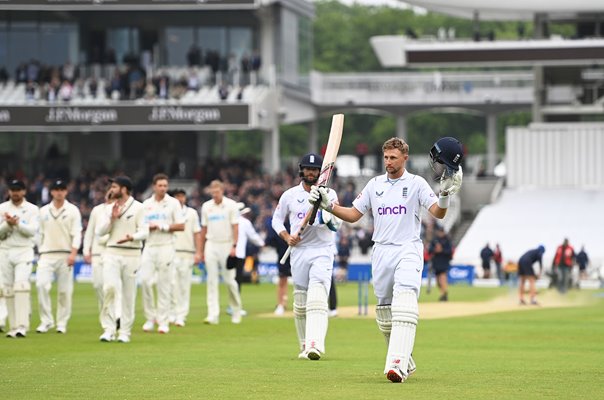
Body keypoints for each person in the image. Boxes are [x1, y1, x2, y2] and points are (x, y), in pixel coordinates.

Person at [309, 136, 463, 382]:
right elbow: (352, 215)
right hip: (381, 251)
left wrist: (444, 193)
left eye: (393, 158)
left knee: (404, 302)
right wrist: (329, 206)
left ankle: (396, 366)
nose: (388, 162)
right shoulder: (374, 185)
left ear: (405, 158)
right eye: (386, 157)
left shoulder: (416, 183)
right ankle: (406, 359)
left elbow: (439, 213)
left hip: (407, 249)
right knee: (384, 312)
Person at [272, 152, 341, 360]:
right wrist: (286, 237)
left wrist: (324, 207)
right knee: (300, 301)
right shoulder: (289, 195)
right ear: (301, 170)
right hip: (299, 251)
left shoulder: (330, 194)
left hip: (322, 250)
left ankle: (315, 344)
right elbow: (276, 220)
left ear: (321, 173)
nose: (311, 172)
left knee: (318, 296)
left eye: (315, 169)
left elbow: (335, 225)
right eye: (307, 169)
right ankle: (304, 344)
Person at [96, 176, 148, 343]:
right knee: (109, 288)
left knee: (128, 293)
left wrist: (131, 237)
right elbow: (100, 232)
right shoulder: (109, 208)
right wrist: (112, 219)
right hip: (111, 252)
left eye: (115, 187)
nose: (111, 190)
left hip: (132, 253)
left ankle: (125, 331)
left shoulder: (139, 208)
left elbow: (145, 232)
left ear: (124, 189)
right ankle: (109, 329)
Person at [35, 179, 82, 334]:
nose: (59, 192)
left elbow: (77, 233)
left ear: (66, 191)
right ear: (52, 192)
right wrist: (40, 250)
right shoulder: (43, 211)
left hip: (65, 255)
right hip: (46, 255)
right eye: (56, 189)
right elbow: (38, 233)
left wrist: (73, 254)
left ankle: (62, 323)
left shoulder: (73, 210)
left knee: (64, 291)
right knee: (41, 285)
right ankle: (46, 321)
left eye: (62, 189)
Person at [139, 173, 184, 334]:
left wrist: (164, 226)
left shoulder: (173, 203)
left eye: (165, 186)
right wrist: (148, 227)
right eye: (160, 185)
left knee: (164, 284)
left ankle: (163, 321)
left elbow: (181, 226)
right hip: (150, 246)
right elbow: (140, 226)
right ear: (154, 186)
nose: (163, 188)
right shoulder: (146, 204)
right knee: (145, 281)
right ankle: (150, 318)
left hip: (166, 246)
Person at [0, 179, 40, 338]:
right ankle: (13, 326)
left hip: (24, 251)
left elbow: (31, 231)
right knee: (8, 289)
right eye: (12, 190)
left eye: (18, 190)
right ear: (9, 191)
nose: (15, 193)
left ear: (24, 191)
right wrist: (7, 225)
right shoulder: (2, 208)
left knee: (22, 286)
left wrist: (16, 224)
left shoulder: (32, 209)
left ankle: (22, 326)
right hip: (5, 250)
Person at [200, 180, 242, 325]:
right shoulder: (206, 207)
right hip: (211, 243)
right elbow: (203, 229)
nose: (215, 194)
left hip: (226, 243)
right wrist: (200, 250)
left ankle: (236, 310)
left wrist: (234, 246)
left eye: (217, 191)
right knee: (211, 280)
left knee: (230, 280)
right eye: (213, 191)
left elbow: (235, 227)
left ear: (222, 191)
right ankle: (213, 314)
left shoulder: (231, 205)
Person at [169, 189, 202, 327]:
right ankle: (171, 313)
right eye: (177, 197)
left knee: (184, 286)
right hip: (172, 251)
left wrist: (198, 252)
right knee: (171, 285)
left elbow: (197, 233)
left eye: (182, 196)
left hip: (187, 252)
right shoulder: (169, 212)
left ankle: (181, 315)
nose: (179, 199)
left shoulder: (192, 213)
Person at [230, 202, 265, 315]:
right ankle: (235, 307)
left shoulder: (229, 221)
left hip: (228, 253)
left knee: (231, 280)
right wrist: (262, 243)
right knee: (237, 281)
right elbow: (253, 236)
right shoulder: (245, 222)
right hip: (239, 254)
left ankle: (232, 306)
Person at [83, 189, 114, 312]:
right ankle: (105, 312)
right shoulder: (97, 210)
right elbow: (90, 232)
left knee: (111, 286)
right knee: (98, 285)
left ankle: (115, 314)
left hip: (112, 251)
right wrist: (86, 251)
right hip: (96, 252)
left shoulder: (122, 210)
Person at [428, 226, 453, 301]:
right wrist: (435, 250)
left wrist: (441, 250)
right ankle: (443, 293)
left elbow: (449, 251)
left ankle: (444, 294)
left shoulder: (447, 240)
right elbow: (430, 250)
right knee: (438, 282)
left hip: (444, 262)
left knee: (442, 278)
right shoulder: (435, 240)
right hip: (436, 262)